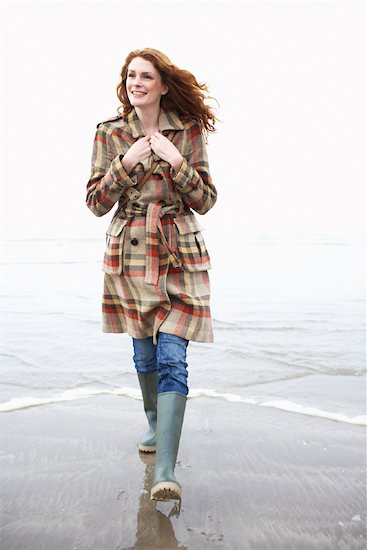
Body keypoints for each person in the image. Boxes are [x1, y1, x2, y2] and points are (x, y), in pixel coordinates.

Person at [86, 48, 218, 501]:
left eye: (145, 76)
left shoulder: (188, 132)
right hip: (130, 252)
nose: (135, 82)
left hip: (180, 251)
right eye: (130, 76)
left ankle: (166, 469)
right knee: (144, 354)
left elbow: (206, 200)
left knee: (172, 357)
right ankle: (153, 421)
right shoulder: (110, 134)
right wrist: (124, 166)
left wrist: (177, 164)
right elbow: (95, 204)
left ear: (162, 85)